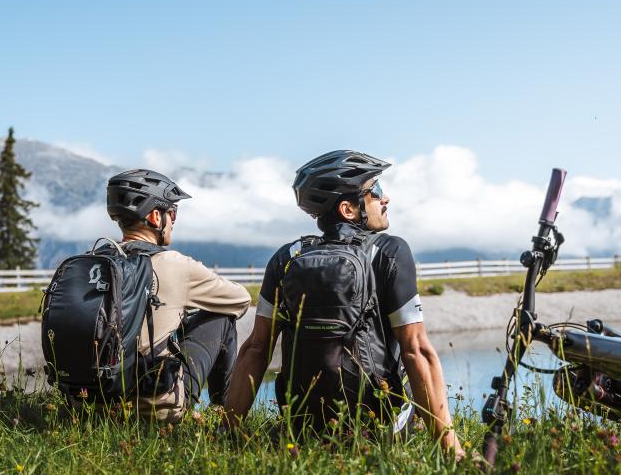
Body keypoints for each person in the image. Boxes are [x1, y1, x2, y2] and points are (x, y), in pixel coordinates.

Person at [223, 150, 464, 457]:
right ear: (349, 209)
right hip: (377, 430)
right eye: (375, 191)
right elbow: (417, 350)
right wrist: (453, 450)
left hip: (301, 427)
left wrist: (227, 433)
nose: (385, 198)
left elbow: (257, 349)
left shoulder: (286, 257)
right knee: (410, 351)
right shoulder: (390, 251)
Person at [105, 169, 251, 421]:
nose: (173, 220)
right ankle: (223, 413)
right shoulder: (173, 264)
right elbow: (240, 299)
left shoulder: (94, 260)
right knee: (221, 318)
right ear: (155, 216)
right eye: (172, 213)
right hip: (153, 406)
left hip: (89, 402)